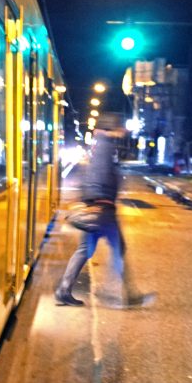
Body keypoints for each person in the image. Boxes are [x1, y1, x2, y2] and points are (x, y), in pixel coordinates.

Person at [55, 114, 140, 307]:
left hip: (97, 205)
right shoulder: (106, 148)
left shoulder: (99, 146)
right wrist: (102, 200)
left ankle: (64, 290)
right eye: (119, 127)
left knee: (85, 250)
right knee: (119, 249)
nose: (122, 131)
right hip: (103, 208)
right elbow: (100, 176)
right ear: (111, 129)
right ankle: (128, 294)